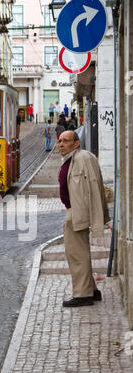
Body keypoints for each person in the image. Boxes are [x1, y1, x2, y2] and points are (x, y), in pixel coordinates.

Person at [58, 131, 110, 307]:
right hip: (73, 211)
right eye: (60, 141)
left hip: (78, 212)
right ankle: (92, 290)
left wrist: (97, 218)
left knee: (77, 254)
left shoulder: (83, 158)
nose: (61, 144)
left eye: (66, 141)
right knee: (77, 253)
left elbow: (94, 187)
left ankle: (82, 295)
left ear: (77, 143)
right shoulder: (70, 159)